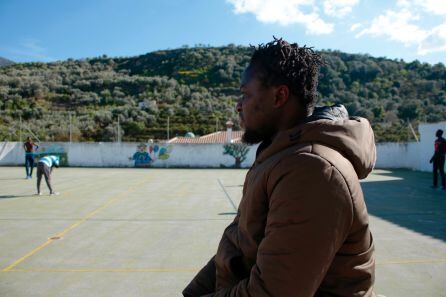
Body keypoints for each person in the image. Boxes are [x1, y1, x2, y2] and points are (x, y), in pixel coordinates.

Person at [183, 38, 376, 297]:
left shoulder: (313, 171)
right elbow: (240, 243)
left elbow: (274, 292)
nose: (239, 105)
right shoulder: (280, 156)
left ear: (279, 96)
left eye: (245, 94)